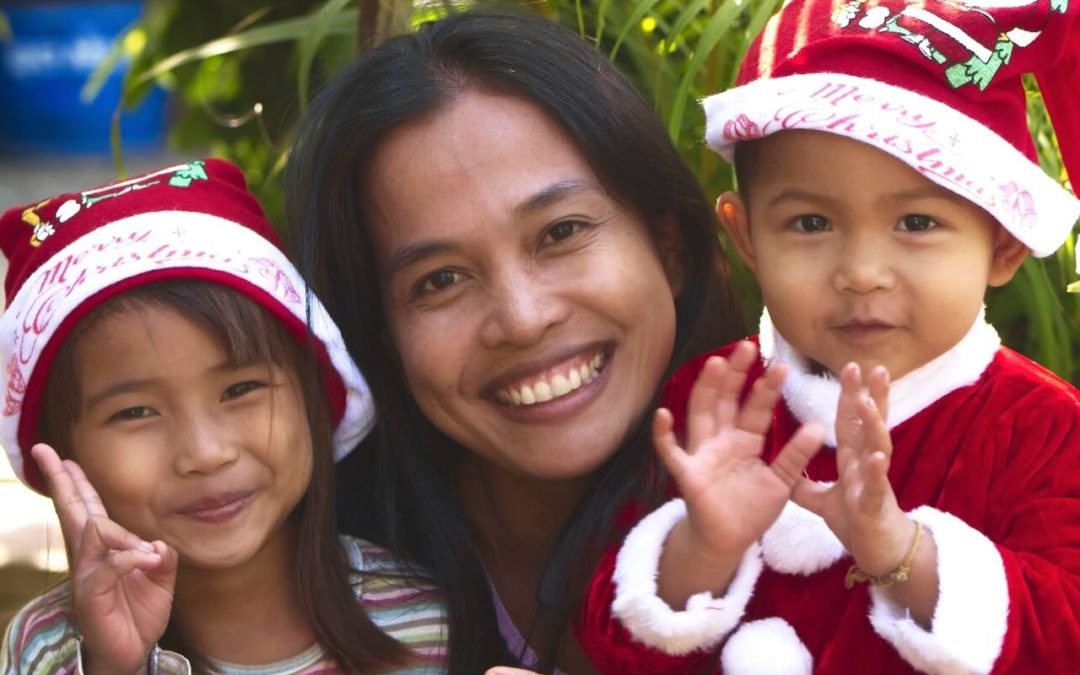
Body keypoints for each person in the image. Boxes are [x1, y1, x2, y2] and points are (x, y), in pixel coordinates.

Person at [576, 0, 1080, 673]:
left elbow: (1065, 635)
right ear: (745, 234)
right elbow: (610, 641)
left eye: (917, 223)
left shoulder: (1042, 429)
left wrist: (903, 551)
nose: (861, 273)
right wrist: (703, 547)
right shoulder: (716, 400)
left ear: (1004, 243)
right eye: (811, 223)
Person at [282, 8, 789, 673]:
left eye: (560, 232)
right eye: (439, 280)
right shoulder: (317, 586)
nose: (522, 318)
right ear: (377, 335)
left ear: (667, 245)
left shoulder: (836, 509)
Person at [0, 159, 448, 674]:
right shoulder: (51, 647)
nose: (205, 453)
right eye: (135, 412)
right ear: (62, 453)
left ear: (314, 393)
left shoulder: (425, 620)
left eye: (240, 389)